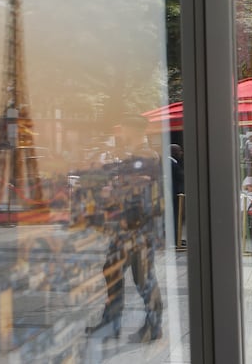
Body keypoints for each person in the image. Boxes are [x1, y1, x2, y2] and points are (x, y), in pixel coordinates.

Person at [86, 114, 163, 344]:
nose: (121, 133)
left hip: (137, 226)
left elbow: (136, 187)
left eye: (124, 128)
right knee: (114, 270)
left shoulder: (146, 155)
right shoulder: (136, 155)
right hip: (129, 226)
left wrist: (114, 189)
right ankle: (113, 323)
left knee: (142, 275)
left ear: (133, 129)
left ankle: (151, 324)